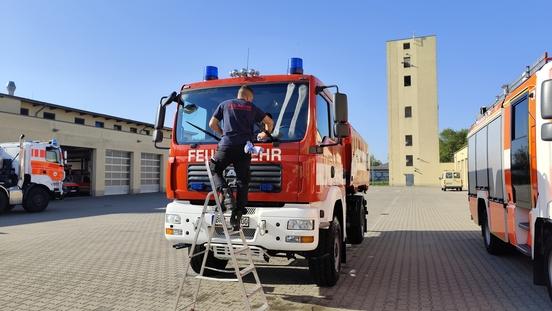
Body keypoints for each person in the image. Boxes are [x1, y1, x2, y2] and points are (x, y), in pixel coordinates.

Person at [208, 85, 274, 230]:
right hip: (245, 148)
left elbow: (212, 124)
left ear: (239, 95)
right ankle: (237, 214)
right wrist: (264, 135)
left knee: (214, 169)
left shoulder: (224, 104)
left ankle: (226, 193)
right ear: (249, 97)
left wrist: (222, 134)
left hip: (226, 145)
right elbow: (269, 122)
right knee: (243, 179)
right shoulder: (252, 107)